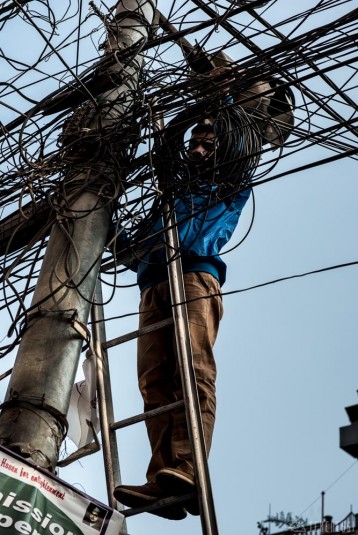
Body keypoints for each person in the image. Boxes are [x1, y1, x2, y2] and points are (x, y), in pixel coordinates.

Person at [113, 68, 253, 521]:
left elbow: (234, 142)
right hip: (152, 283)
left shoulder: (229, 184)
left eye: (206, 145)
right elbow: (166, 146)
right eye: (195, 143)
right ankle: (164, 479)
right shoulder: (168, 200)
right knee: (155, 383)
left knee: (193, 371)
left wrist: (217, 97)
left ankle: (190, 468)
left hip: (193, 275)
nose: (197, 149)